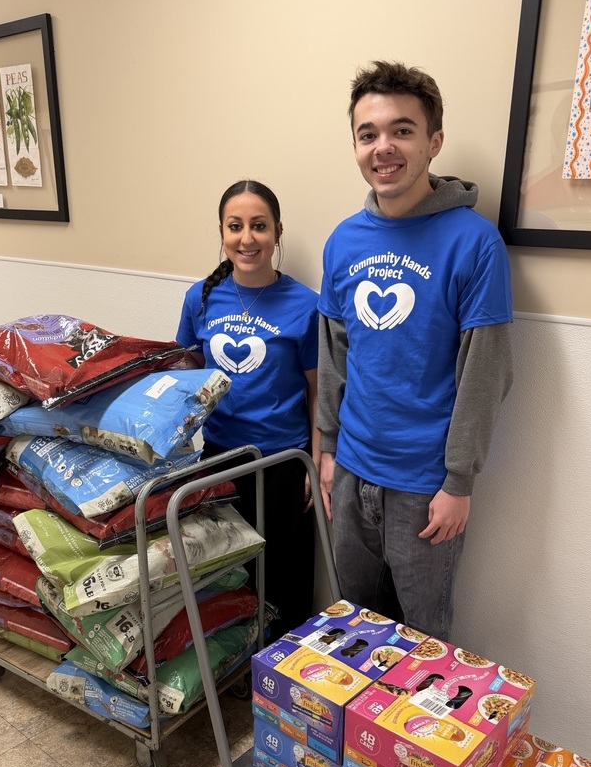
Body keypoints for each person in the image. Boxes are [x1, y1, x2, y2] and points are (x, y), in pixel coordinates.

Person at [317, 61, 513, 642]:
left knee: (423, 641)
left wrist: (459, 481)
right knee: (354, 629)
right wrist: (327, 449)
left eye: (402, 130)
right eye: (368, 134)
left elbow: (486, 372)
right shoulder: (343, 240)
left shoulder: (475, 242)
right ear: (355, 146)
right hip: (350, 472)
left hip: (425, 487)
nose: (384, 147)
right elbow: (334, 357)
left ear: (434, 141)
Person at [176, 180, 320, 637]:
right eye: (235, 226)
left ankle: (282, 688)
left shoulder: (306, 305)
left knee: (285, 582)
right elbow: (187, 372)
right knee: (224, 578)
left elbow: (319, 393)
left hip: (282, 463)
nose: (247, 238)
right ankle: (235, 669)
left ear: (278, 232)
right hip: (218, 460)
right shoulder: (199, 298)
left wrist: (315, 463)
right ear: (221, 232)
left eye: (259, 226)